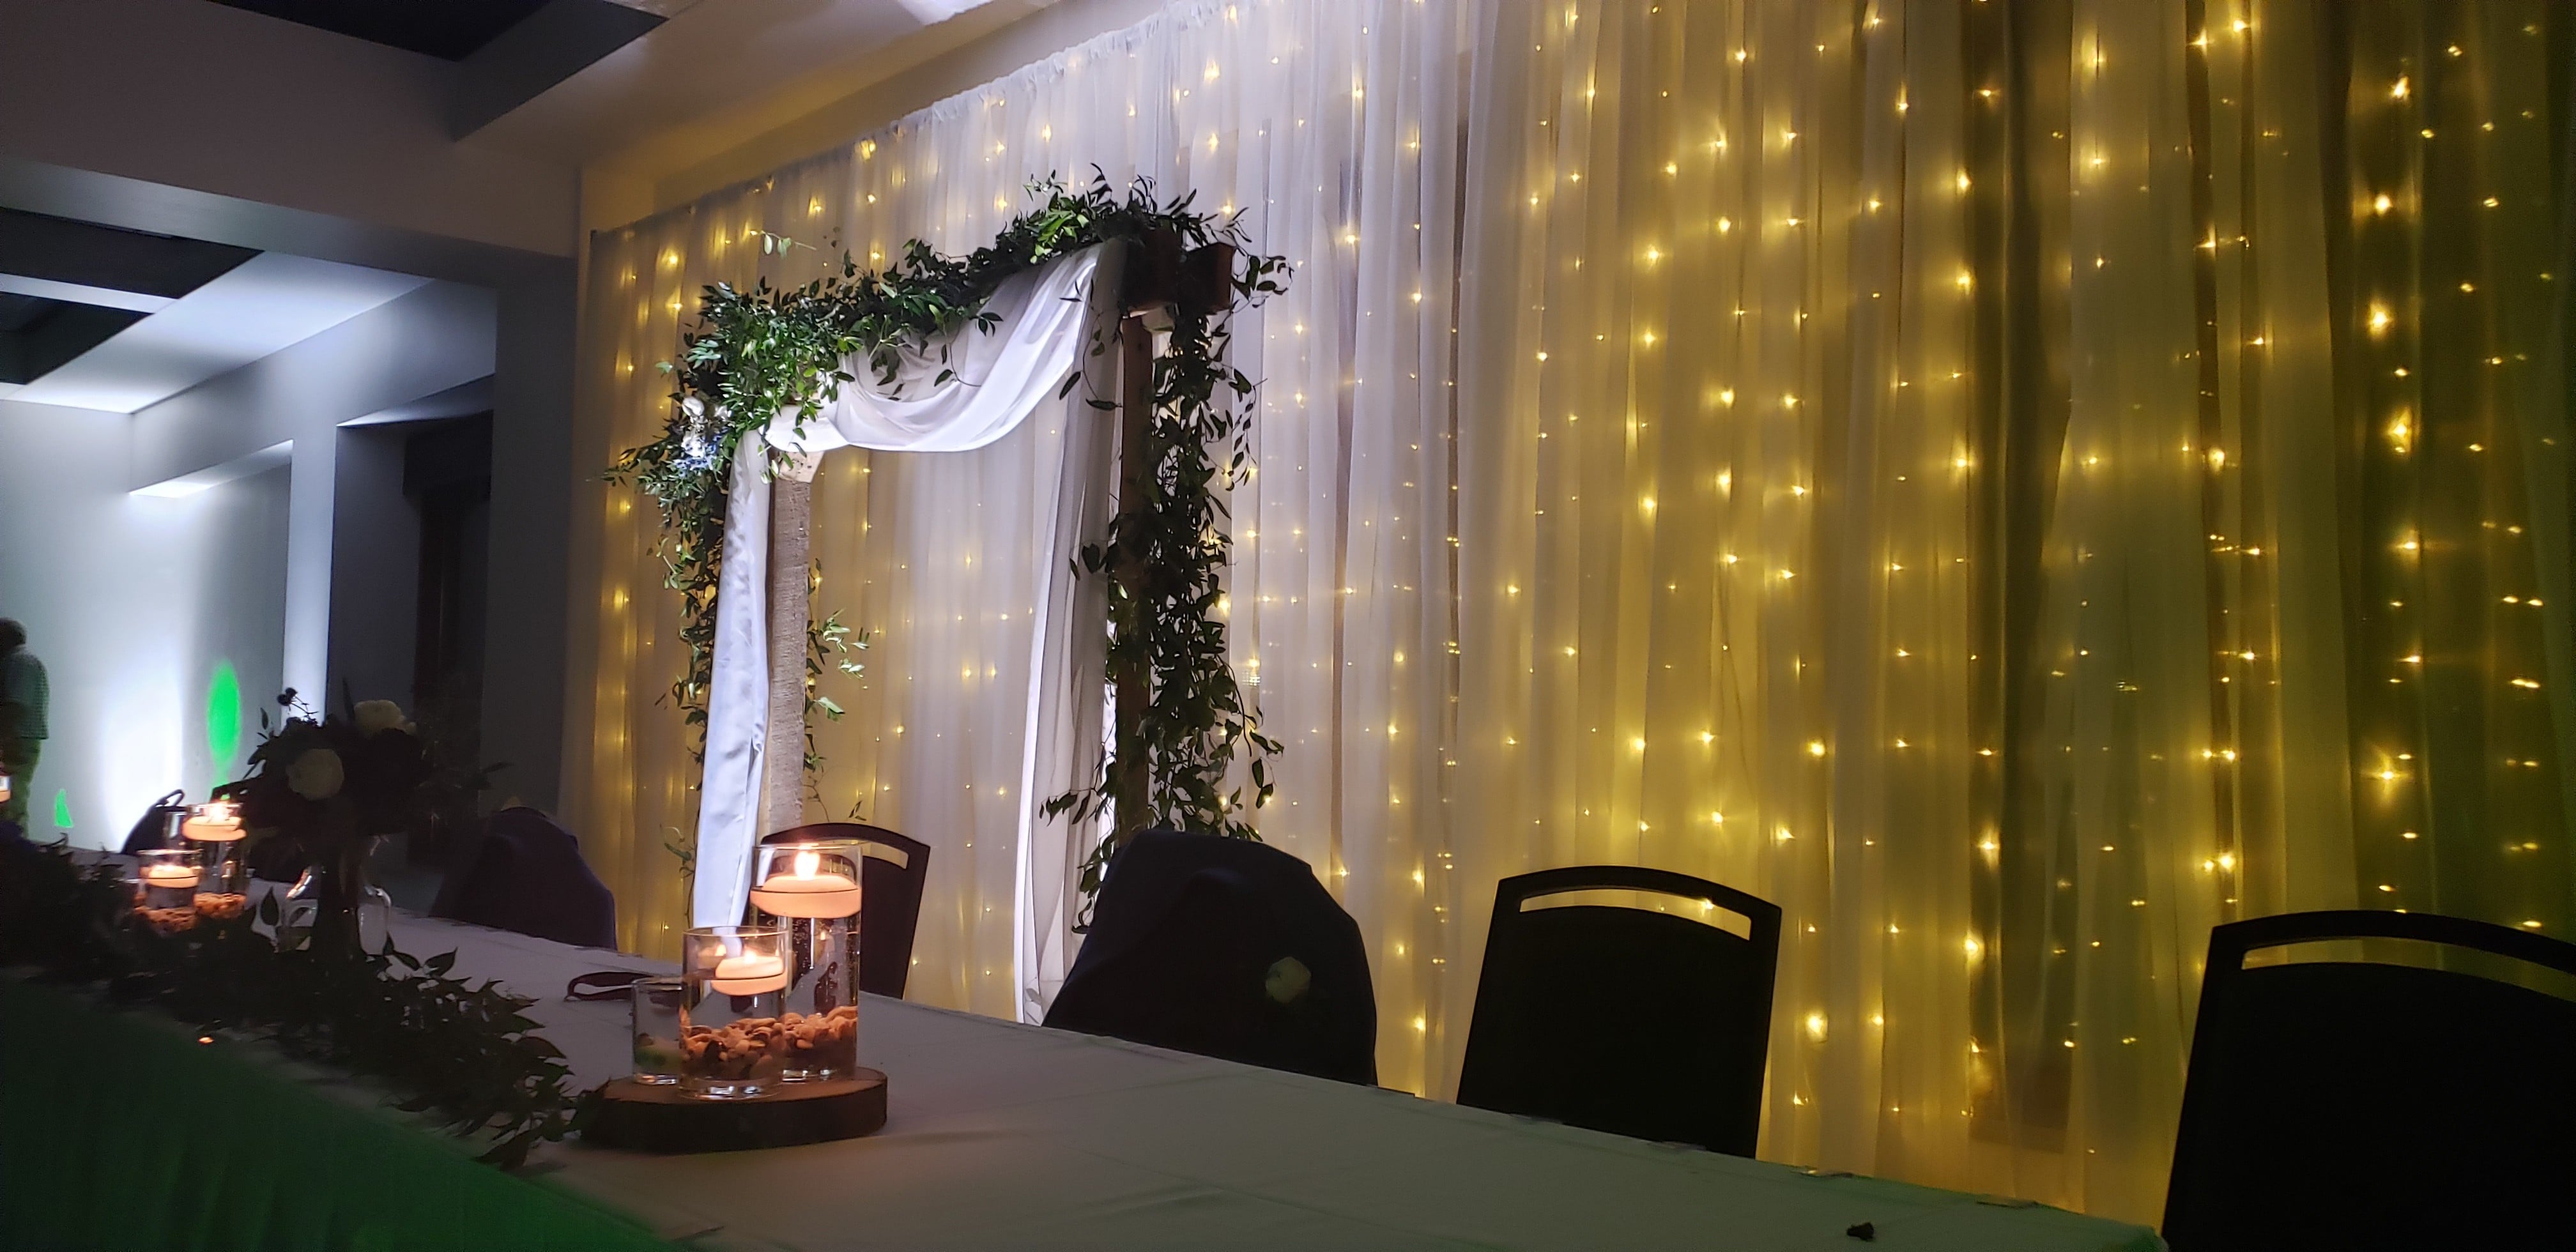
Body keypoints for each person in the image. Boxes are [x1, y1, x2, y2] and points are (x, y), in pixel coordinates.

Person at [0, 618, 48, 834]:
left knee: (9, 800)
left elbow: (17, 704)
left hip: (14, 743)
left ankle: (14, 852)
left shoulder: (18, 662)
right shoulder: (22, 661)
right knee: (8, 798)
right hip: (17, 742)